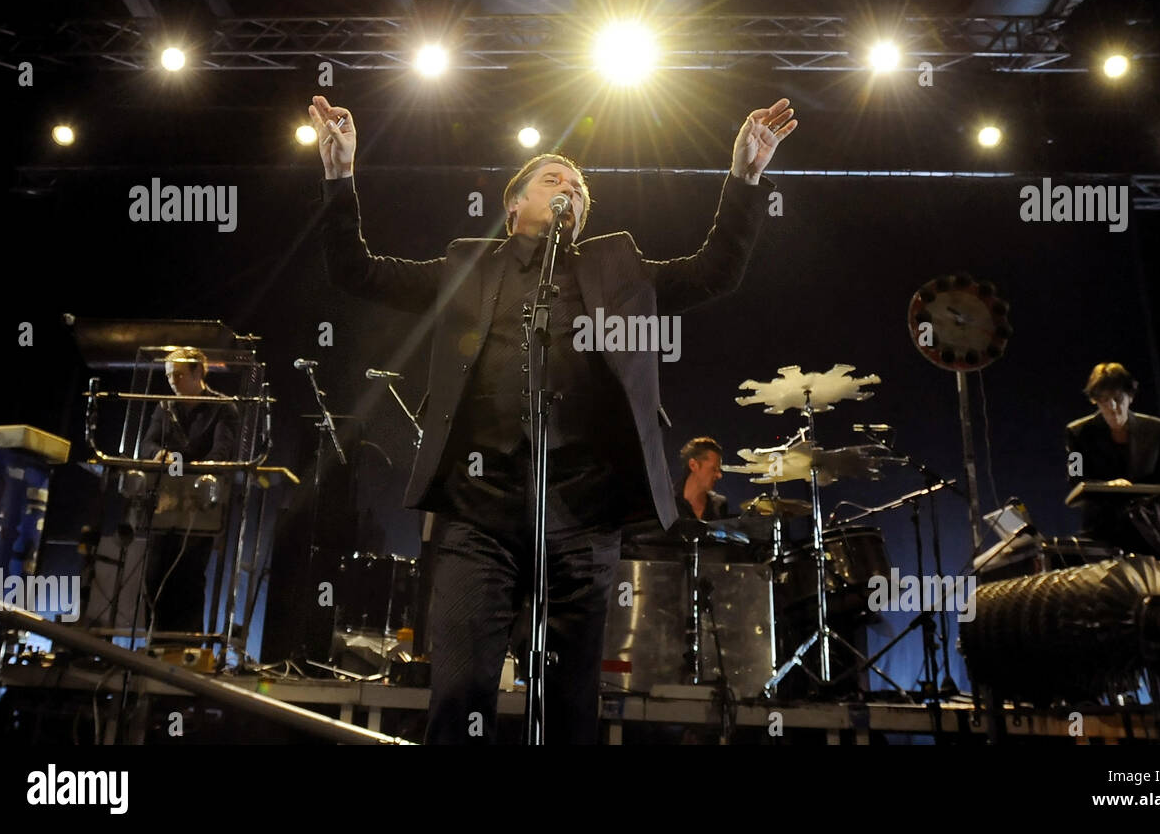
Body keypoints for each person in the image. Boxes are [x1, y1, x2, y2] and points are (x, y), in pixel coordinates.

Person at [308, 93, 797, 744]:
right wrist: (339, 177)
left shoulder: (616, 268)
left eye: (578, 185)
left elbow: (715, 271)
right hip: (476, 516)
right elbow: (357, 271)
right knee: (458, 698)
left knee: (571, 709)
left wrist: (744, 178)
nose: (568, 185)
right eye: (552, 178)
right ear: (514, 206)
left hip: (583, 521)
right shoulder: (465, 267)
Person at [138, 346, 240, 639]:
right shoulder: (165, 407)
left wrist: (197, 467)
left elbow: (221, 452)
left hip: (201, 502)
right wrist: (160, 455)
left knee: (189, 576)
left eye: (179, 375)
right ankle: (153, 643)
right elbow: (147, 445)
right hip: (165, 500)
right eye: (169, 376)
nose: (173, 382)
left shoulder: (224, 407)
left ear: (199, 373)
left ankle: (185, 648)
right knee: (154, 574)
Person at [1065, 361, 1160, 556]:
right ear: (1094, 401)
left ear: (1131, 396)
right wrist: (1108, 487)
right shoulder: (1076, 433)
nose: (1112, 407)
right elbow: (1075, 479)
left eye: (1117, 398)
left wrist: (1142, 498)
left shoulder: (1156, 429)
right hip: (1102, 534)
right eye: (1103, 400)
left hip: (1151, 534)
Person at [675, 436, 733, 522]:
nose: (719, 475)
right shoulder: (668, 501)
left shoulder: (720, 504)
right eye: (714, 469)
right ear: (693, 465)